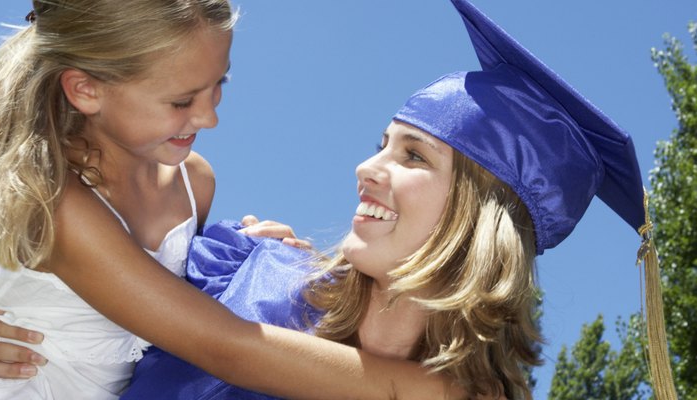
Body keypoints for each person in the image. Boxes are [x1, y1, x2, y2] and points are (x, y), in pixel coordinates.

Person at [121, 0, 679, 399]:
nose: (366, 168)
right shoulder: (242, 268)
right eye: (380, 145)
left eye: (414, 156)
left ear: (481, 218)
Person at [0, 1, 477, 399]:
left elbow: (173, 298)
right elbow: (222, 344)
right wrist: (434, 392)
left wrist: (266, 258)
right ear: (86, 90)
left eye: (217, 85)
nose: (208, 118)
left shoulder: (192, 180)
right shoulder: (62, 202)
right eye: (181, 100)